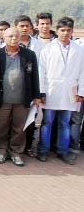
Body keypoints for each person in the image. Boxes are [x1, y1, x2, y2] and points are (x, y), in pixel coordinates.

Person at [36, 17, 84, 165]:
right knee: (47, 122)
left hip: (70, 92)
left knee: (65, 123)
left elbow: (83, 72)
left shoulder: (79, 49)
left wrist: (81, 92)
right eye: (62, 30)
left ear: (72, 31)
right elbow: (41, 72)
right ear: (57, 31)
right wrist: (42, 92)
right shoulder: (48, 48)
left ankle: (62, 151)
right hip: (51, 91)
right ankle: (42, 150)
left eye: (69, 30)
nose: (65, 33)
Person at [0, 27, 41, 166]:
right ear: (4, 37)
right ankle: (1, 150)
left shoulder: (29, 54)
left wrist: (36, 95)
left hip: (22, 98)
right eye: (10, 36)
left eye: (16, 36)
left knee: (19, 128)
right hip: (3, 98)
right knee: (2, 126)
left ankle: (16, 152)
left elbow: (35, 76)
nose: (14, 38)